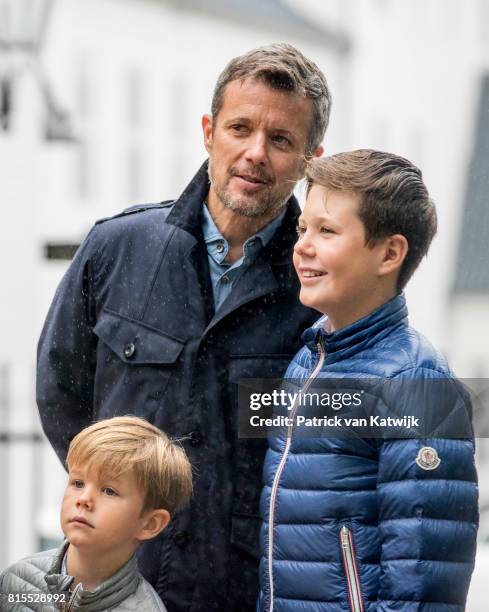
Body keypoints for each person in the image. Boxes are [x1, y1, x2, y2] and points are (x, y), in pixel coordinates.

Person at [36, 43, 331, 611]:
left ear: (310, 160)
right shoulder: (116, 249)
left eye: (280, 139)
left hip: (252, 588)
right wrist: (117, 502)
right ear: (207, 131)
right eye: (239, 128)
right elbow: (60, 394)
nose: (254, 154)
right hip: (117, 582)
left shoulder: (322, 290)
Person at [258, 150, 479, 611]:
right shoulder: (305, 361)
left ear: (389, 253)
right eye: (304, 229)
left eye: (327, 230)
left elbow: (423, 586)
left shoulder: (414, 383)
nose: (303, 246)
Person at [0, 416, 193, 611]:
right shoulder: (15, 582)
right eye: (77, 483)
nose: (84, 499)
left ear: (150, 523)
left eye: (109, 491)